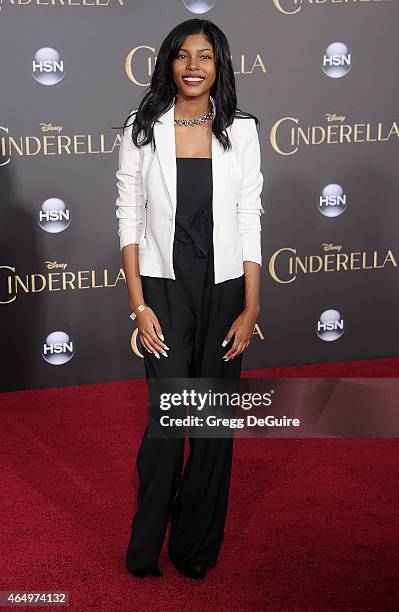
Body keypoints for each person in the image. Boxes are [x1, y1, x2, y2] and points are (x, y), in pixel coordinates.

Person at [115, 18, 263, 580]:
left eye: (205, 55)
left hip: (225, 291)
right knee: (166, 420)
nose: (193, 65)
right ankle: (147, 544)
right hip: (163, 290)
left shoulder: (242, 131)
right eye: (182, 55)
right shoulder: (141, 128)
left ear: (219, 64)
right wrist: (140, 305)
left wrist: (252, 306)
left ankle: (194, 547)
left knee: (212, 423)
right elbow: (129, 218)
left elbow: (249, 217)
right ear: (168, 65)